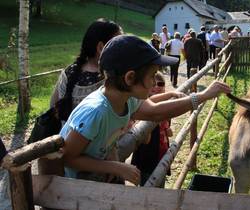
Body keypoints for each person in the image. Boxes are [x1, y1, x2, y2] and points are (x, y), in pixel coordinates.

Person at [60, 35, 231, 185]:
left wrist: (201, 96)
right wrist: (114, 167)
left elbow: (156, 111)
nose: (154, 83)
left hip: (95, 180)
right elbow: (68, 157)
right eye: (151, 76)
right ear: (130, 78)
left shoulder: (125, 99)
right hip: (75, 187)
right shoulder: (96, 112)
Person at [41, 18, 122, 177]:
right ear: (100, 47)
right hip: (98, 159)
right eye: (118, 44)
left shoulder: (69, 71)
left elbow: (53, 105)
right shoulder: (107, 79)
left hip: (66, 148)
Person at [131, 72, 178, 186]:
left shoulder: (166, 107)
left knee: (159, 180)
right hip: (146, 155)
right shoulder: (141, 105)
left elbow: (167, 128)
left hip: (160, 151)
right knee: (147, 183)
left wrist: (167, 130)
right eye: (153, 84)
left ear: (164, 87)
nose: (156, 86)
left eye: (160, 84)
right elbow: (143, 137)